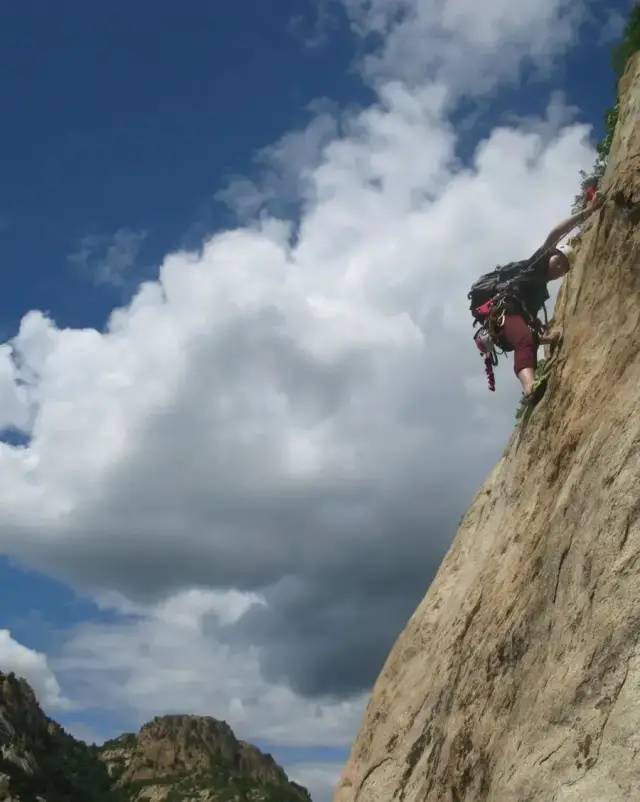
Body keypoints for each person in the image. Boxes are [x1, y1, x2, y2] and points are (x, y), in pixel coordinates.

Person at [497, 192, 606, 399]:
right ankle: (529, 388)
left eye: (564, 269)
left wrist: (551, 337)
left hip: (515, 319)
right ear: (552, 255)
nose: (559, 268)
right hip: (506, 312)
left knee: (530, 339)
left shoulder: (541, 292)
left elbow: (531, 322)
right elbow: (557, 232)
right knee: (525, 338)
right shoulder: (536, 263)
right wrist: (587, 211)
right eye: (559, 261)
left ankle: (532, 384)